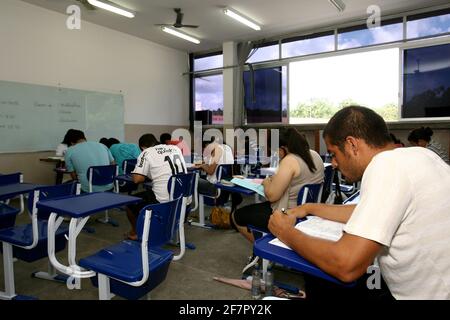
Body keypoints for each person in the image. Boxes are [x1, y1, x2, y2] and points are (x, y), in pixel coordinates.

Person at [269, 106, 450, 300]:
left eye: (334, 154)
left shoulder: (385, 166)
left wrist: (284, 231)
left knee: (320, 278)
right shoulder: (422, 156)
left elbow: (346, 265)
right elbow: (367, 211)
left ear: (352, 145)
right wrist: (309, 208)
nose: (335, 164)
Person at [233, 128, 324, 243]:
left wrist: (266, 182)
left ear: (283, 148)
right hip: (308, 213)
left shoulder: (289, 160)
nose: (277, 155)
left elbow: (272, 196)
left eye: (276, 151)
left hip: (286, 214)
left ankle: (260, 251)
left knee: (237, 216)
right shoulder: (315, 155)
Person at [125, 133, 186, 240]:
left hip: (164, 201)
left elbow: (137, 179)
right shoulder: (174, 148)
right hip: (183, 198)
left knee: (130, 204)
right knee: (150, 191)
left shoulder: (146, 153)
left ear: (142, 147)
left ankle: (135, 233)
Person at [195, 138, 242, 214]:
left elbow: (210, 171)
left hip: (215, 187)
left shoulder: (217, 149)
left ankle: (186, 206)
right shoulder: (227, 148)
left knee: (193, 180)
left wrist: (202, 165)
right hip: (226, 186)